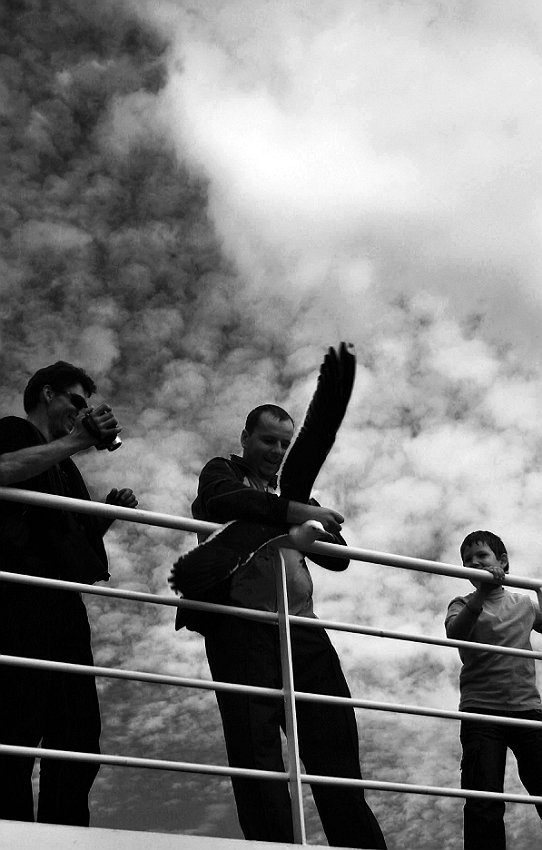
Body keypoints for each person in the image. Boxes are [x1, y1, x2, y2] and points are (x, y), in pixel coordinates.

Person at [178, 404, 387, 848]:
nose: (276, 450)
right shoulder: (222, 472)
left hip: (304, 631)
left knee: (335, 749)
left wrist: (303, 518)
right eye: (267, 440)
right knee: (256, 754)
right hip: (242, 627)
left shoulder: (293, 496)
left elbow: (338, 557)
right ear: (245, 438)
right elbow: (222, 502)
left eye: (284, 444)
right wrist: (293, 512)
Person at [0, 361, 138, 826]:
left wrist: (106, 516)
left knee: (77, 734)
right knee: (15, 724)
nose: (82, 413)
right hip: (16, 599)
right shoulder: (13, 431)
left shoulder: (67, 469)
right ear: (47, 394)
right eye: (76, 402)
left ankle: (66, 836)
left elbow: (70, 537)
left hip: (64, 609)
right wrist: (77, 440)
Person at [445, 529, 542, 849]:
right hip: (481, 711)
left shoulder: (523, 603)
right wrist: (481, 595)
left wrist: (538, 590)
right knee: (483, 800)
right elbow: (455, 633)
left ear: (502, 562)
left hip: (527, 710)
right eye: (467, 560)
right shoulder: (462, 603)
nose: (474, 563)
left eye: (481, 556)